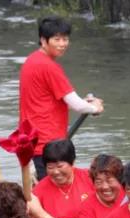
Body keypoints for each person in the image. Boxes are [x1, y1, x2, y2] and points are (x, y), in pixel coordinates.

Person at [18, 16, 104, 180]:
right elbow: (76, 105)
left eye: (65, 39)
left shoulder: (31, 61)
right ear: (43, 40)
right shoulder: (49, 67)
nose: (62, 44)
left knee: (45, 186)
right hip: (49, 143)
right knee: (53, 190)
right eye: (57, 39)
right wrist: (95, 107)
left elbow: (52, 98)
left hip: (34, 140)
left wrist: (84, 103)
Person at [30, 139, 95, 218]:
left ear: (73, 162)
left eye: (60, 166)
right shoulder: (38, 192)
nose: (56, 172)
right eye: (50, 167)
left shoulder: (91, 178)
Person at [75, 154, 125, 218]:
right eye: (99, 182)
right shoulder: (87, 207)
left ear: (120, 180)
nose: (105, 187)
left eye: (109, 181)